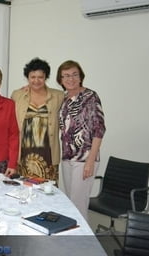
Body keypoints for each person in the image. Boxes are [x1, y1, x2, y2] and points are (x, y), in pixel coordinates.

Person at [57, 60, 106, 220]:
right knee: (70, 203)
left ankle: (82, 243)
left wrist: (90, 161)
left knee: (78, 205)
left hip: (84, 159)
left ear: (80, 77)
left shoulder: (90, 96)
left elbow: (99, 129)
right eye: (66, 76)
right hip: (67, 158)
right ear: (61, 79)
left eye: (74, 74)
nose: (70, 79)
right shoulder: (63, 99)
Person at [11, 58, 64, 183]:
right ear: (27, 77)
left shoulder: (59, 96)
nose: (36, 81)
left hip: (48, 153)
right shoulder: (17, 95)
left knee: (47, 192)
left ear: (46, 77)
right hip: (24, 153)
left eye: (40, 77)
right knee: (24, 191)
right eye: (32, 77)